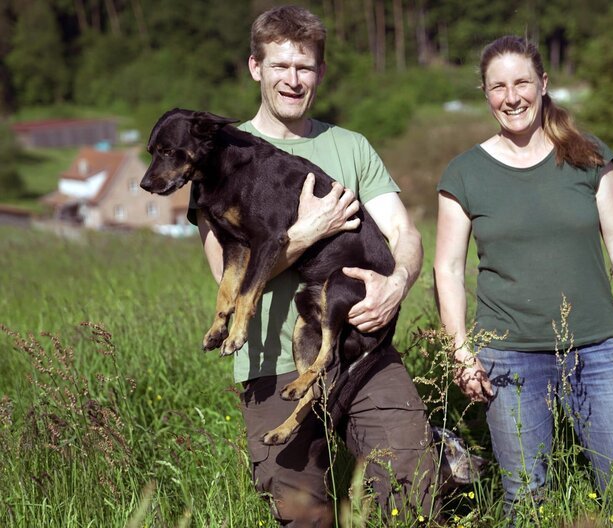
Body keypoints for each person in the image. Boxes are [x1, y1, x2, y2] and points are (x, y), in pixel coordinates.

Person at [188, 6, 437, 526]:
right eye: (280, 66)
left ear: (320, 72)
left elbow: (404, 234)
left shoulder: (351, 147)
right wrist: (308, 232)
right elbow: (224, 273)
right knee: (305, 516)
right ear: (255, 67)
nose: (292, 80)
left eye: (304, 67)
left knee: (412, 485)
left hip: (363, 350)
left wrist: (398, 282)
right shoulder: (219, 153)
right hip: (270, 364)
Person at [434, 35, 613, 510]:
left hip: (599, 351)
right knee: (527, 501)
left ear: (543, 84)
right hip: (509, 358)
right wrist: (460, 351)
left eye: (522, 83)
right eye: (498, 87)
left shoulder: (588, 155)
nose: (511, 97)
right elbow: (447, 268)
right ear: (486, 93)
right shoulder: (464, 173)